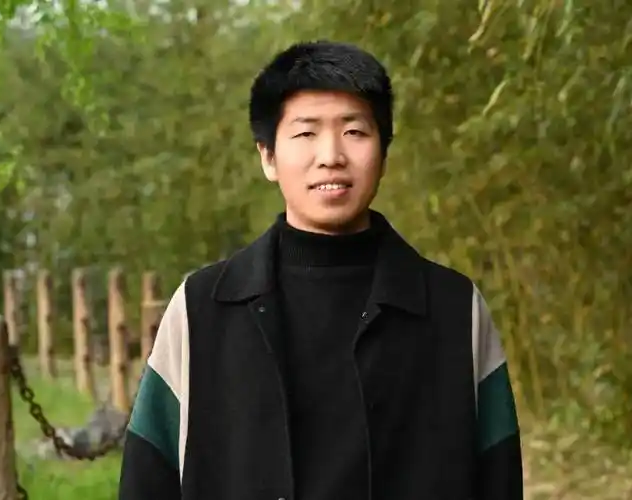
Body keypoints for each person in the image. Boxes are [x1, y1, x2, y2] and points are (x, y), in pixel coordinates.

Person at [117, 40, 524, 500]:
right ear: (268, 156)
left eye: (354, 131)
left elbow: (500, 478)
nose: (331, 155)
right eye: (306, 133)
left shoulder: (455, 310)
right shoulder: (201, 309)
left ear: (384, 153)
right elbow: (148, 478)